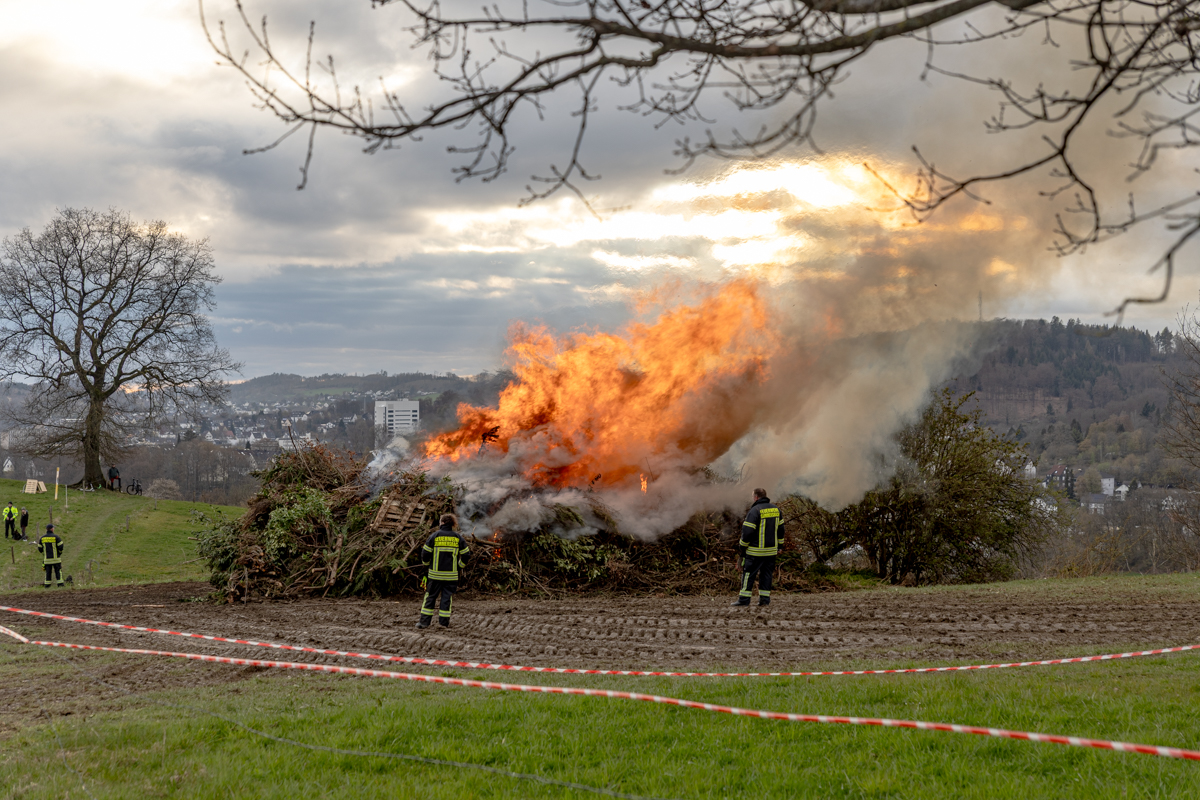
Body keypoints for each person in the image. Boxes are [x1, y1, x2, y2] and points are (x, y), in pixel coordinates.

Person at [416, 513, 470, 630]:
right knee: (446, 599)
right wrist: (459, 567)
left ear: (442, 523)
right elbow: (466, 555)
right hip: (451, 576)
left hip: (434, 575)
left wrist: (426, 564)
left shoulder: (434, 536)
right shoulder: (458, 538)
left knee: (430, 597)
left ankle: (424, 623)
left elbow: (425, 553)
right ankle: (443, 623)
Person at [732, 488, 784, 607]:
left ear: (756, 497)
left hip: (755, 552)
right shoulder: (776, 510)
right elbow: (781, 530)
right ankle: (764, 600)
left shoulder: (755, 510)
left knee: (748, 574)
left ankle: (744, 600)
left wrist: (742, 546)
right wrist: (780, 546)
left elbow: (747, 532)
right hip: (771, 552)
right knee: (766, 575)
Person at [39, 524, 65, 588]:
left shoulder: (42, 538)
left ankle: (47, 586)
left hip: (47, 560)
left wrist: (44, 554)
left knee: (48, 573)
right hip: (56, 559)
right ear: (52, 529)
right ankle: (60, 585)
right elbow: (61, 546)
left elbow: (40, 548)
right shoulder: (56, 537)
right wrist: (59, 553)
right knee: (58, 572)